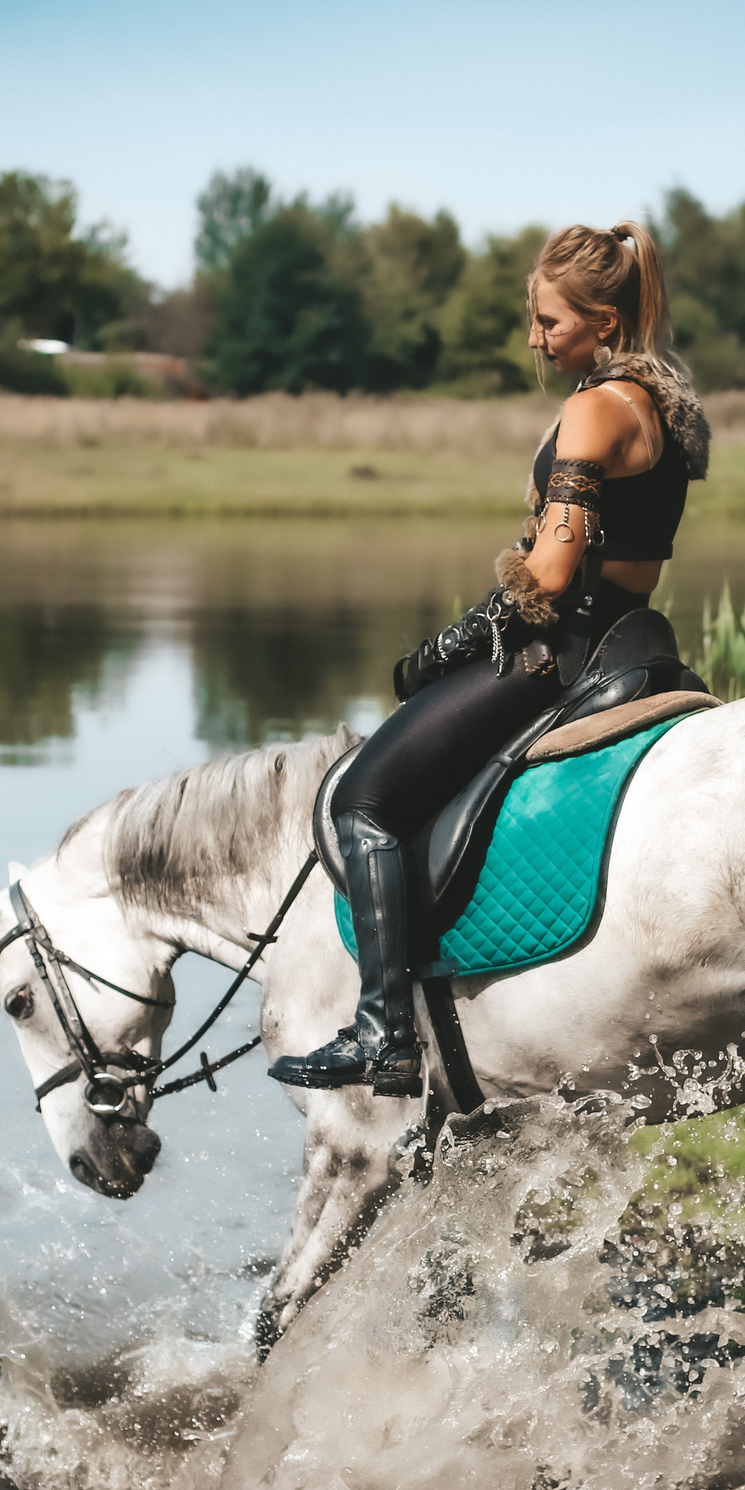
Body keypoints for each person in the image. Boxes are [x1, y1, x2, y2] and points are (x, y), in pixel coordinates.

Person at [271, 221, 711, 1095]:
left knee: (363, 800)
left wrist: (454, 642)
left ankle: (385, 1031)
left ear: (604, 322)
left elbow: (548, 571)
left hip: (564, 649)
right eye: (534, 320)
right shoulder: (657, 405)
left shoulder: (595, 408)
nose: (536, 339)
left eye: (550, 322)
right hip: (626, 635)